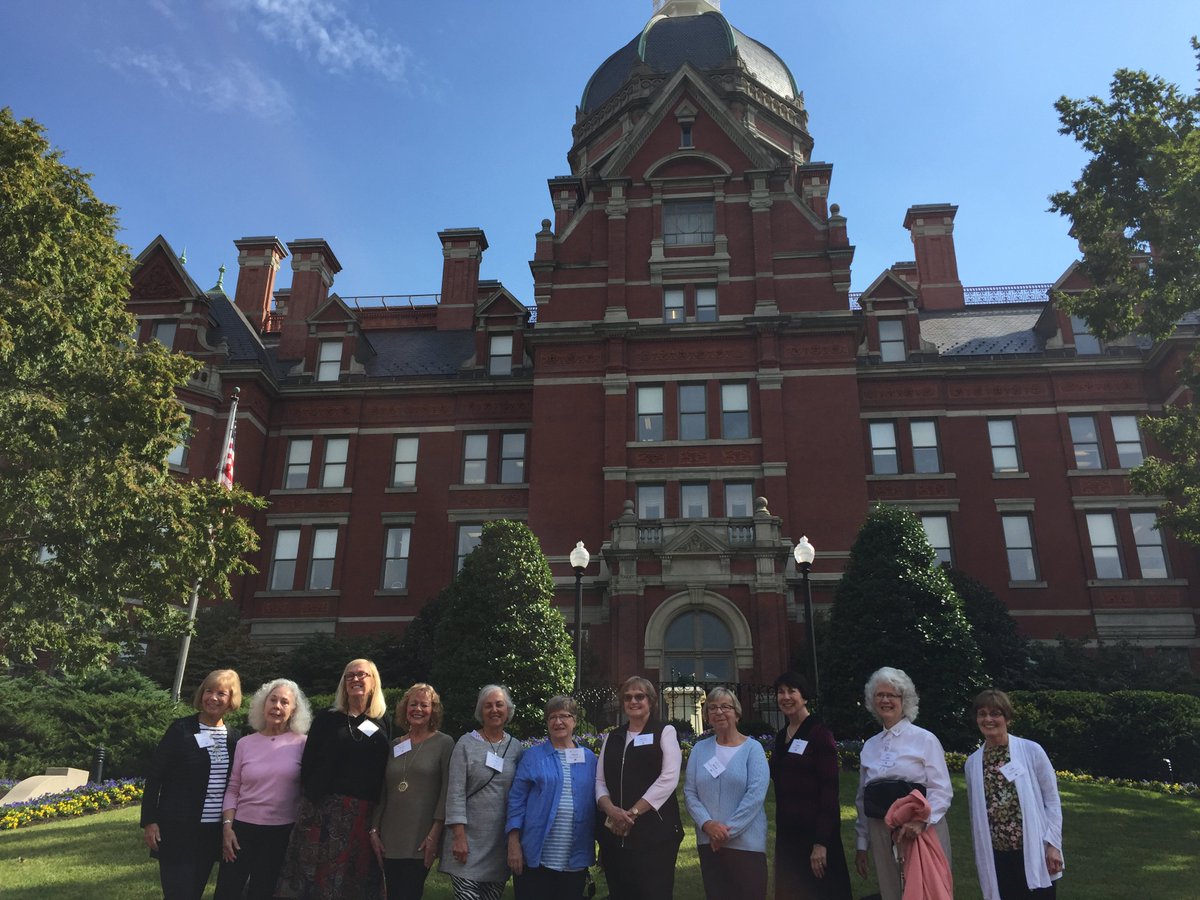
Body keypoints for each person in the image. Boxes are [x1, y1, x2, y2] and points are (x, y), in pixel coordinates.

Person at [276, 658, 389, 899]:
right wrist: (312, 800)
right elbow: (308, 763)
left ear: (373, 682)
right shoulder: (327, 719)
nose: (355, 679)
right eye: (349, 675)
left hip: (362, 813)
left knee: (353, 881)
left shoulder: (382, 722)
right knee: (314, 880)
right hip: (323, 811)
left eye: (362, 675)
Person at [141, 668, 243, 900]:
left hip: (211, 832)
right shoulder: (181, 730)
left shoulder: (235, 738)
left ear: (231, 700)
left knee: (194, 893)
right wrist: (149, 821)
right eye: (208, 691)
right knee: (179, 894)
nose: (213, 698)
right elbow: (155, 776)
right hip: (177, 830)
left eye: (221, 693)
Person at [854, 666, 953, 900]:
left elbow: (942, 790)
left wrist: (921, 821)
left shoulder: (925, 739)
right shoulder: (870, 746)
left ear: (904, 700)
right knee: (891, 892)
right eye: (880, 695)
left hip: (919, 828)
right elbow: (861, 798)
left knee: (928, 890)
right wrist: (861, 842)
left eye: (892, 695)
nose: (885, 700)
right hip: (881, 829)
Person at [215, 678, 312, 900]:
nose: (277, 706)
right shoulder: (245, 743)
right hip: (241, 831)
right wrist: (227, 828)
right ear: (263, 704)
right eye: (273, 700)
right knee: (227, 891)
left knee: (263, 891)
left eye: (284, 702)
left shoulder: (303, 744)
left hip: (280, 833)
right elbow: (233, 789)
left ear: (293, 710)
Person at [966, 688, 1064, 899]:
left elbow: (1052, 800)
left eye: (995, 713)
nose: (988, 719)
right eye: (982, 714)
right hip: (997, 855)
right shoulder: (973, 763)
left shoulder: (1031, 751)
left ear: (1007, 718)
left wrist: (1053, 845)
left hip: (1034, 850)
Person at [595, 675, 684, 899]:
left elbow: (669, 778)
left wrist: (633, 813)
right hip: (616, 832)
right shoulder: (612, 737)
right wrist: (612, 811)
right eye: (628, 697)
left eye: (639, 696)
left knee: (654, 892)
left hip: (655, 834)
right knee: (621, 891)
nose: (633, 701)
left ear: (651, 701)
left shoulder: (664, 732)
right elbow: (600, 781)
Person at [505, 695, 598, 900]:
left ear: (574, 721)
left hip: (575, 858)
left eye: (564, 716)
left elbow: (599, 801)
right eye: (552, 717)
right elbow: (516, 802)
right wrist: (513, 844)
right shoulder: (532, 757)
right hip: (535, 858)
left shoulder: (590, 759)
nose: (558, 722)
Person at [770, 672, 852, 900]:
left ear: (804, 697)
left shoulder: (819, 734)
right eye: (780, 692)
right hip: (789, 833)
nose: (785, 697)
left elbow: (829, 790)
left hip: (816, 834)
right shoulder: (781, 737)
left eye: (791, 691)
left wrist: (821, 843)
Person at [683, 686, 770, 900]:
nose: (719, 712)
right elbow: (690, 793)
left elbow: (755, 796)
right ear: (707, 717)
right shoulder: (699, 750)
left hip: (747, 845)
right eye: (712, 708)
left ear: (737, 713)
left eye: (725, 707)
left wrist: (725, 833)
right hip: (709, 844)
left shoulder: (753, 749)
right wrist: (708, 825)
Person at [370, 683, 455, 900]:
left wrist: (435, 834)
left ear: (433, 710)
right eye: (412, 704)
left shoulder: (444, 743)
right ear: (404, 709)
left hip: (421, 837)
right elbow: (383, 790)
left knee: (410, 892)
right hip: (389, 837)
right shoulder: (394, 745)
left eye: (424, 705)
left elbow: (447, 791)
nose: (417, 709)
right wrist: (374, 829)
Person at [441, 684, 525, 900]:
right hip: (467, 843)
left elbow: (519, 794)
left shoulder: (515, 747)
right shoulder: (465, 744)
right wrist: (458, 837)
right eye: (488, 706)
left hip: (498, 844)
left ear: (508, 710)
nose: (494, 710)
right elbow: (455, 792)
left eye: (499, 704)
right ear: (480, 711)